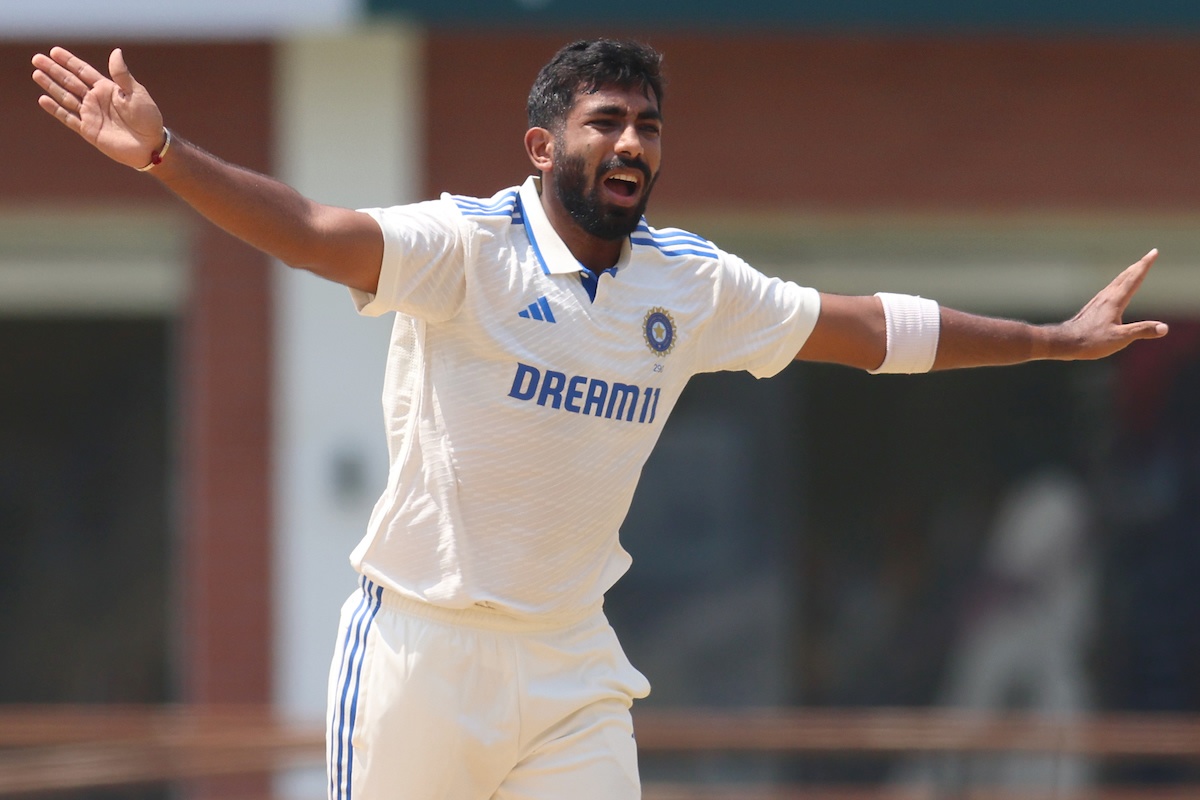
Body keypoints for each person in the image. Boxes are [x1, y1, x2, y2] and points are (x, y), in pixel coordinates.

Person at [32, 38, 1166, 800]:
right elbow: (314, 229)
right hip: (423, 647)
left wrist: (1051, 341)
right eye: (607, 123)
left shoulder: (690, 284)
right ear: (543, 146)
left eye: (649, 128)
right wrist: (167, 156)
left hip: (570, 663)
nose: (632, 145)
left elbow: (866, 328)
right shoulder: (466, 247)